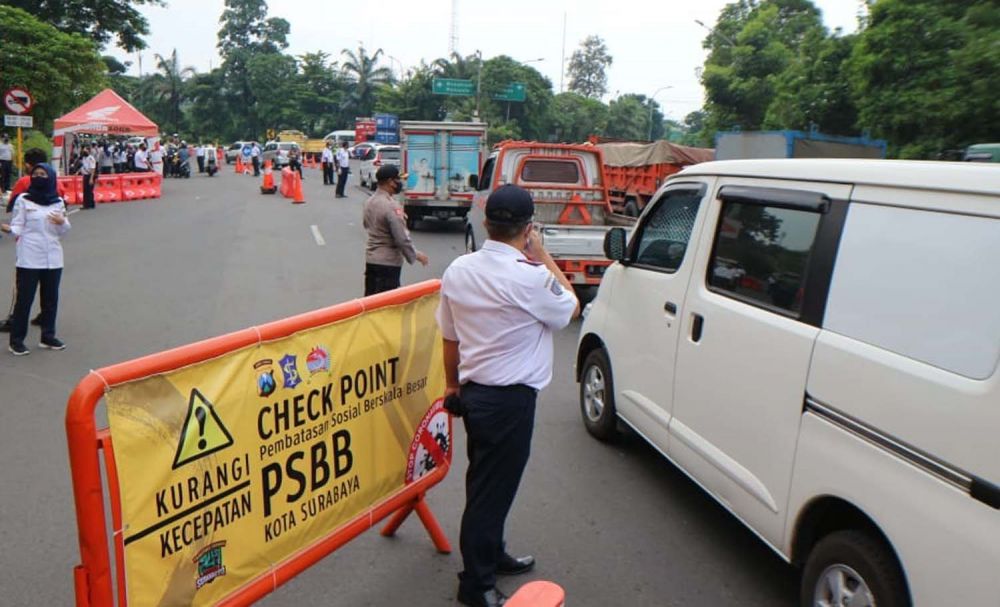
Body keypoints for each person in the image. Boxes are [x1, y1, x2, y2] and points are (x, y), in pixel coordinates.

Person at [436, 184, 579, 607]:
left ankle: (492, 553)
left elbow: (449, 336)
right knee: (491, 492)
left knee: (486, 483)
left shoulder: (459, 269)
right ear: (528, 228)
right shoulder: (532, 276)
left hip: (475, 394)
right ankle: (476, 585)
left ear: (485, 223)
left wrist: (451, 385)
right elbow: (571, 306)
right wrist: (543, 255)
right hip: (509, 402)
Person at [0, 163, 71, 355]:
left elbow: (64, 230)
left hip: (53, 257)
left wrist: (62, 222)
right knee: (25, 300)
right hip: (29, 257)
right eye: (36, 174)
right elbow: (18, 226)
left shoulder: (58, 201)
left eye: (43, 174)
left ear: (51, 177)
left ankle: (48, 336)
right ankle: (16, 341)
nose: (39, 177)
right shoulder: (23, 200)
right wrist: (7, 229)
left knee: (50, 300)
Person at [362, 165, 428, 295]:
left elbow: (366, 224)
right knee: (387, 303)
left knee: (371, 301)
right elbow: (401, 238)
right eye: (398, 180)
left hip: (371, 261)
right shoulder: (391, 206)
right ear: (390, 182)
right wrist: (415, 255)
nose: (400, 183)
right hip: (388, 264)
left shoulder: (369, 202)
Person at [79, 144, 97, 210]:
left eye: (85, 150)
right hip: (85, 175)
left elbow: (93, 169)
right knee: (86, 190)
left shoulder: (91, 158)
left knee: (89, 190)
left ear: (88, 151)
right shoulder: (83, 158)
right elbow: (82, 166)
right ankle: (88, 204)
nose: (83, 151)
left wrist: (91, 178)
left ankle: (89, 204)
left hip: (90, 175)